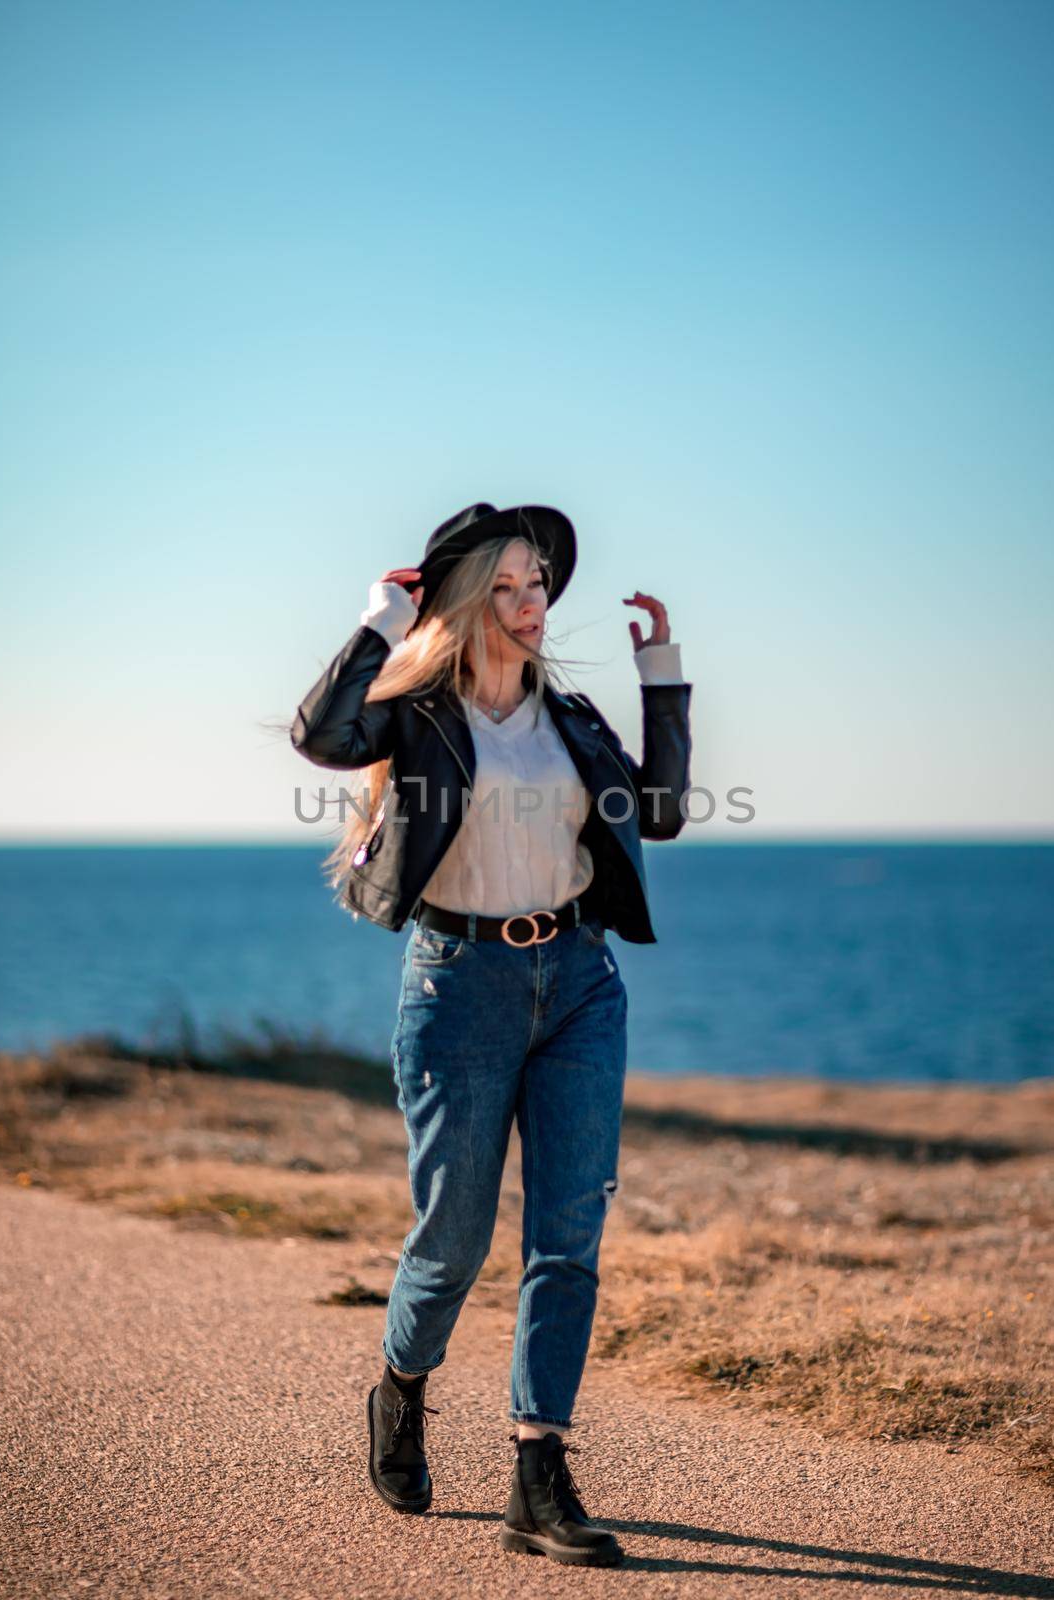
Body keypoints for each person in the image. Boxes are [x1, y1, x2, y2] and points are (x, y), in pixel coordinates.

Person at [290, 502, 692, 1567]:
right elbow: (320, 736)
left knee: (566, 1235)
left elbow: (657, 811)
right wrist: (380, 622)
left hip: (575, 982)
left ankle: (536, 1470)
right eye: (508, 585)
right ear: (466, 598)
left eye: (539, 585)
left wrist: (662, 676)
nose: (529, 605)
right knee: (454, 1236)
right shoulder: (414, 714)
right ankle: (402, 1386)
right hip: (458, 984)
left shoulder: (571, 717)